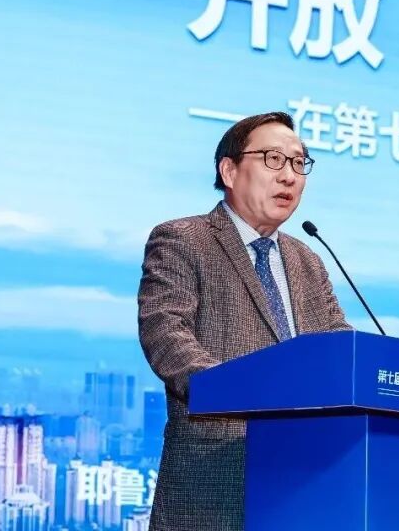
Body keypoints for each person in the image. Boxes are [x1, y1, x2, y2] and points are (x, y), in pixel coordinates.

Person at [138, 111, 351, 531]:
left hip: (306, 483)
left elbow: (339, 349)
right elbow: (166, 332)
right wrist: (238, 390)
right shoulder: (183, 240)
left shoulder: (307, 260)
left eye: (299, 163)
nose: (289, 175)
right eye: (274, 159)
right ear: (230, 171)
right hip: (215, 481)